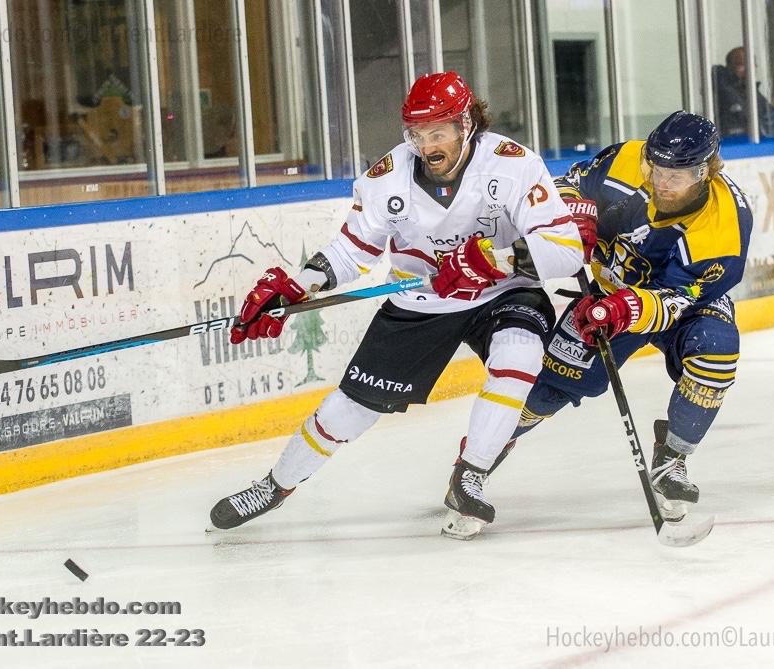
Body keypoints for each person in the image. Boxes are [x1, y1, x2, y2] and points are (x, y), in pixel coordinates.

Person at [208, 71, 589, 539]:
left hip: (504, 293)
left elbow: (567, 249)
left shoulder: (513, 165)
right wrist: (299, 284)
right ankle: (274, 485)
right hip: (423, 301)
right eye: (418, 133)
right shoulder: (386, 179)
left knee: (520, 356)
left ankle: (470, 473)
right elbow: (352, 250)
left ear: (466, 123)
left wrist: (497, 258)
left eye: (439, 132)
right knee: (350, 409)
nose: (428, 145)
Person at [474, 111, 752, 520]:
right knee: (549, 387)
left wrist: (628, 308)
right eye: (655, 169)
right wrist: (576, 218)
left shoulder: (724, 226)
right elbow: (564, 185)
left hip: (686, 305)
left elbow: (679, 297)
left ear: (706, 171)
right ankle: (477, 461)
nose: (660, 182)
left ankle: (673, 456)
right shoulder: (625, 159)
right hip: (607, 292)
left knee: (717, 351)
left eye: (675, 176)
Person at [713, 46, 774, 139]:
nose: (748, 69)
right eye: (741, 65)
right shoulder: (725, 93)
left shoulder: (753, 93)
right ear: (729, 68)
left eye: (751, 64)